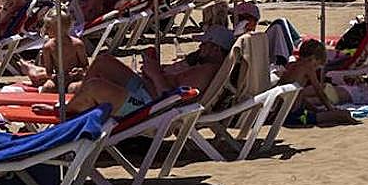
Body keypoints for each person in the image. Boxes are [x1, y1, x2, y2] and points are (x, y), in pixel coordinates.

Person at [39, 27, 234, 117]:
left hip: (149, 105)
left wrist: (156, 73)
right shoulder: (203, 66)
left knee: (95, 86)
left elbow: (170, 100)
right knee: (103, 61)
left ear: (215, 49)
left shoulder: (206, 72)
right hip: (145, 90)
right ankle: (82, 103)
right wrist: (154, 70)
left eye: (204, 44)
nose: (200, 47)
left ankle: (67, 113)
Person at [279, 39, 356, 126]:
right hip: (295, 117)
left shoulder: (291, 66)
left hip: (283, 115)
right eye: (317, 65)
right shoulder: (308, 66)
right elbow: (319, 92)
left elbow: (299, 98)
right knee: (344, 115)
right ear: (312, 59)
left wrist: (316, 110)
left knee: (324, 114)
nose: (316, 69)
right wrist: (331, 109)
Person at [18, 13, 88, 93]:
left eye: (48, 27)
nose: (46, 30)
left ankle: (35, 73)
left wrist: (79, 71)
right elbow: (49, 72)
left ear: (61, 28)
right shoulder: (48, 47)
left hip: (75, 78)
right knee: (48, 88)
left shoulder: (77, 44)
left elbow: (85, 67)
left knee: (72, 88)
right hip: (59, 78)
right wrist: (58, 77)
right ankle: (35, 74)